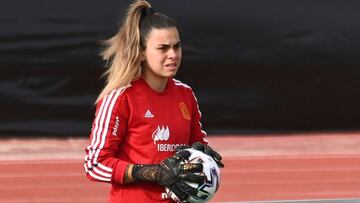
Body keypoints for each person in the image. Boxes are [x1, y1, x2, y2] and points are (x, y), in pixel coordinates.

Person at [84, 0, 224, 202]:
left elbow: (196, 146)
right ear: (141, 52)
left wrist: (203, 156)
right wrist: (152, 172)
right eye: (163, 48)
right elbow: (94, 165)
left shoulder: (185, 94)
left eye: (177, 46)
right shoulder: (120, 98)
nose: (173, 55)